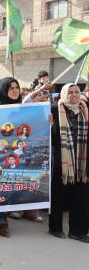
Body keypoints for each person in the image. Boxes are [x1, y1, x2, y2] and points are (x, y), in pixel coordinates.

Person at [50, 83, 89, 242]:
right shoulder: (55, 109)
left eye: (76, 92)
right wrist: (50, 124)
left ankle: (78, 231)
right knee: (59, 195)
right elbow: (50, 135)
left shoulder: (85, 109)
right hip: (62, 159)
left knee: (82, 196)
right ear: (64, 94)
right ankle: (55, 228)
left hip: (81, 159)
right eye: (70, 92)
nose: (74, 95)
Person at [0, 77, 23, 237]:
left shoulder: (24, 109)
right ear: (3, 90)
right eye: (10, 88)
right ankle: (1, 220)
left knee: (12, 186)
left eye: (16, 87)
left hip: (16, 154)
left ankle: (3, 212)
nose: (15, 91)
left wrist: (47, 120)